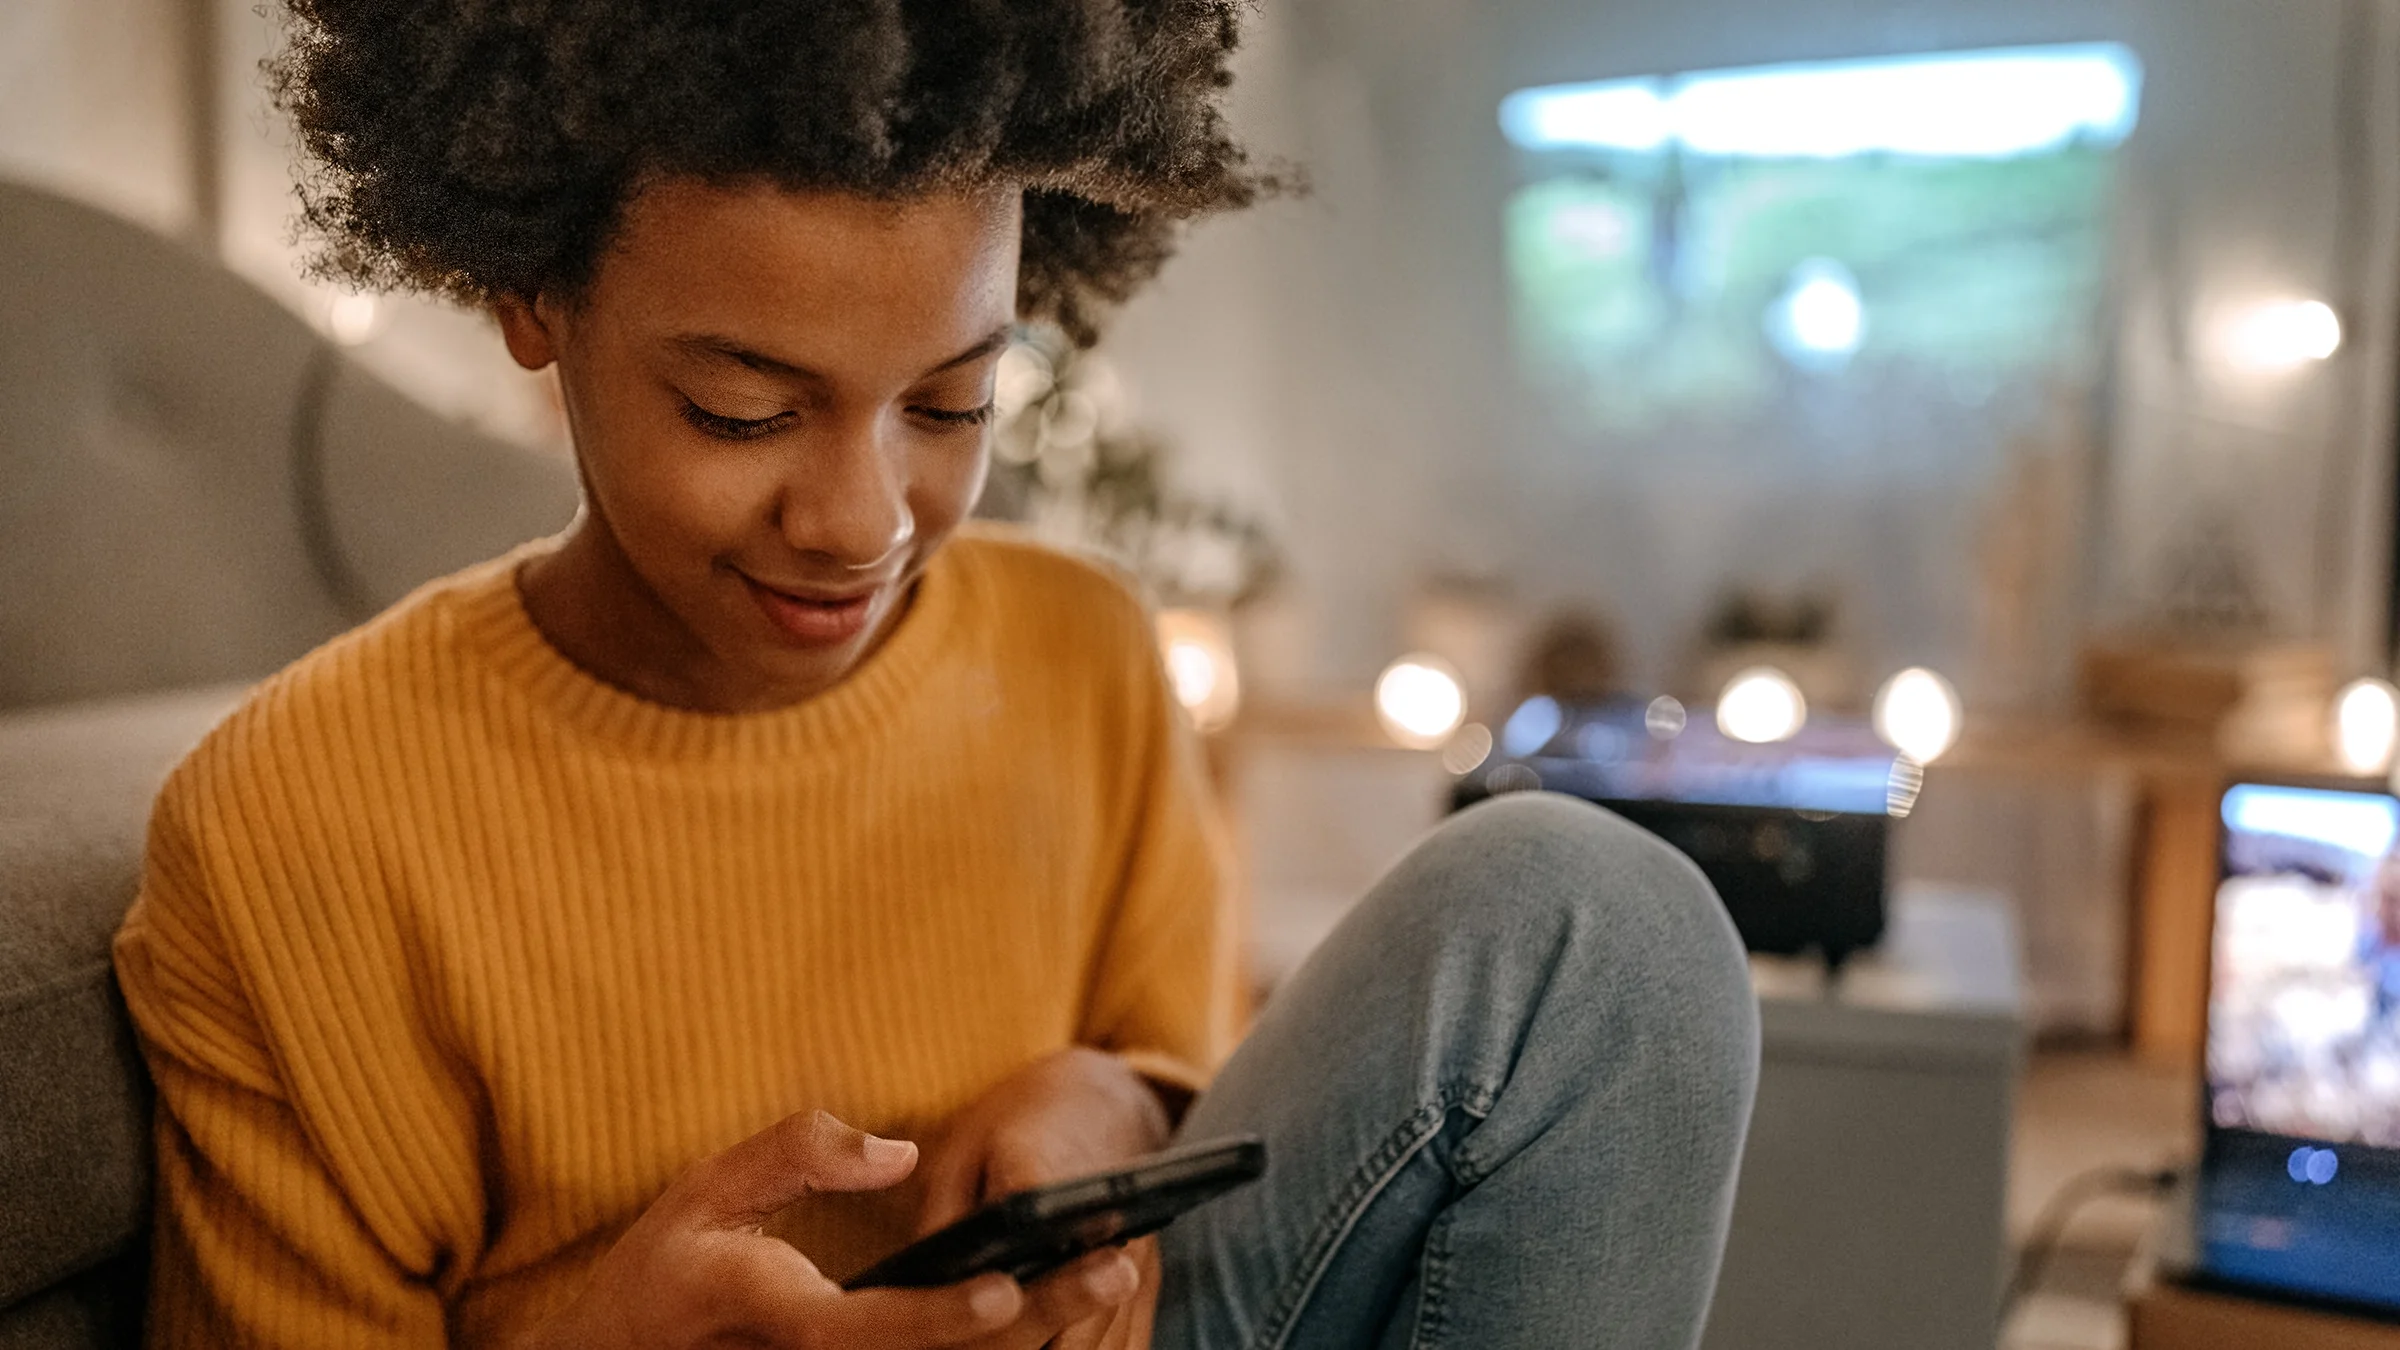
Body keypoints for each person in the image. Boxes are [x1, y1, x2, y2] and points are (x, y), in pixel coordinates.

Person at [110, 3, 1761, 1347]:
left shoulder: (1083, 655)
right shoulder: (288, 834)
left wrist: (1110, 1101)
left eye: (954, 402)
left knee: (1600, 916)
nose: (861, 521)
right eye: (743, 412)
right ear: (529, 294)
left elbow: (1191, 1077)